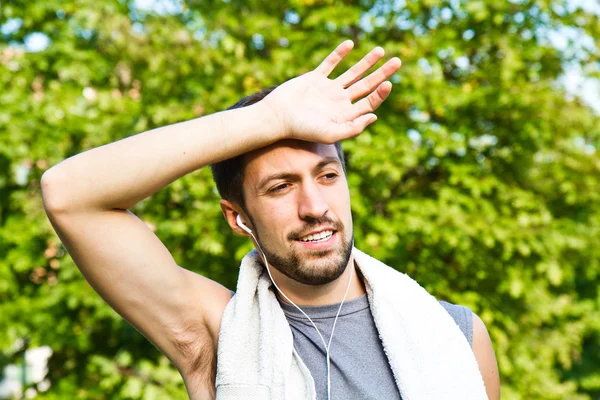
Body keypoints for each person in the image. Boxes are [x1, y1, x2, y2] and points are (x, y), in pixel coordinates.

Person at [41, 40, 500, 399]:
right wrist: (271, 118)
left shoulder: (457, 334)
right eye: (280, 187)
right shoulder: (218, 333)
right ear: (237, 217)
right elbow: (69, 194)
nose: (314, 205)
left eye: (327, 175)